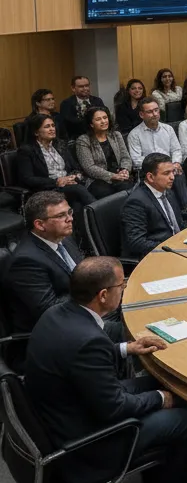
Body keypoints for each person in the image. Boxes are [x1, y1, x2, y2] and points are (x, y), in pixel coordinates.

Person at [24, 257, 187, 483]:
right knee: (185, 420)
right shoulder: (87, 340)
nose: (124, 289)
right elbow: (115, 409)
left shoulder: (59, 314)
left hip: (67, 411)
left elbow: (78, 360)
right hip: (88, 441)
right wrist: (159, 399)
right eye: (122, 285)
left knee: (159, 386)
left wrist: (126, 348)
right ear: (103, 295)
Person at [5, 192, 90, 337]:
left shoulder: (65, 238)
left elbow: (81, 272)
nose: (69, 219)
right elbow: (49, 310)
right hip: (55, 332)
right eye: (60, 216)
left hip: (83, 311)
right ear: (39, 224)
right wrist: (94, 289)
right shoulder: (26, 261)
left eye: (69, 212)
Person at [16, 113, 94, 226]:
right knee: (78, 190)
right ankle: (101, 215)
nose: (52, 129)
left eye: (53, 125)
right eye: (47, 127)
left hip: (69, 185)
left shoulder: (60, 144)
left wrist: (74, 176)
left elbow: (75, 167)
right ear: (36, 132)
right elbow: (27, 178)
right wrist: (57, 181)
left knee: (78, 205)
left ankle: (80, 237)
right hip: (46, 190)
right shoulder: (27, 150)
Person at [120, 153, 187, 260]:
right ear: (150, 177)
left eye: (173, 172)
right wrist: (171, 247)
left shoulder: (167, 191)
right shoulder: (136, 202)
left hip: (178, 247)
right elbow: (137, 242)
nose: (172, 177)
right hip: (157, 256)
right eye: (166, 173)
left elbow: (177, 220)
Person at [75, 107, 133, 198]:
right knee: (105, 192)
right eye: (98, 119)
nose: (103, 121)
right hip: (96, 179)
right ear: (91, 124)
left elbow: (125, 157)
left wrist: (125, 170)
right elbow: (89, 168)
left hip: (118, 173)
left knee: (127, 188)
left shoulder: (116, 135)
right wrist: (112, 176)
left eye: (105, 118)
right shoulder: (83, 140)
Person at [59, 75, 106, 140]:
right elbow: (69, 123)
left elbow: (105, 117)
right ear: (73, 88)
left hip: (98, 136)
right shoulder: (66, 103)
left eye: (87, 85)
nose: (85, 89)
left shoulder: (97, 101)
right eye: (81, 86)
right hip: (76, 138)